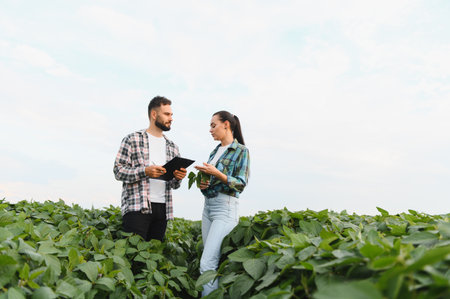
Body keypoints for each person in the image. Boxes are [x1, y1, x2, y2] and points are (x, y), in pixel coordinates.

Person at [114, 96, 187, 241]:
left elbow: (174, 185)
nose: (171, 118)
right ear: (154, 115)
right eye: (167, 114)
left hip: (162, 209)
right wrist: (145, 171)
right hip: (137, 207)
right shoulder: (132, 139)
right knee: (135, 256)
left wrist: (178, 177)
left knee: (154, 256)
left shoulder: (173, 147)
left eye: (171, 115)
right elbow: (118, 170)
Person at [194, 111, 250, 296]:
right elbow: (210, 185)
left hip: (225, 208)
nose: (210, 130)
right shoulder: (214, 151)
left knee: (207, 263)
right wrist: (204, 184)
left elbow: (241, 183)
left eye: (213, 125)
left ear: (226, 124)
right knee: (211, 261)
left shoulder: (241, 150)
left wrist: (217, 174)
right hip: (208, 207)